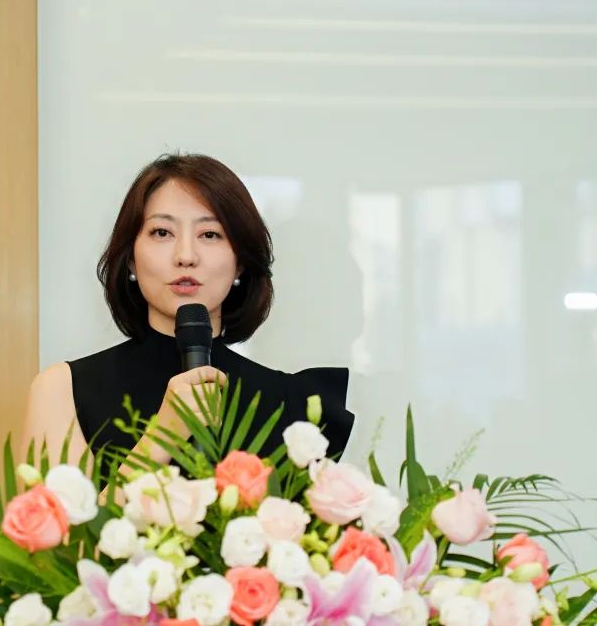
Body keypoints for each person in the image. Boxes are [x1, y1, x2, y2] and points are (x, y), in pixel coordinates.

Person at [20, 153, 355, 473]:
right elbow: (66, 519)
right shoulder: (64, 391)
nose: (185, 256)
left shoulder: (292, 405)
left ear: (239, 262)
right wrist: (163, 435)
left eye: (209, 234)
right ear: (131, 258)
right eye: (162, 232)